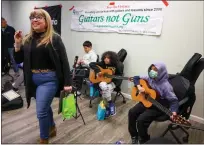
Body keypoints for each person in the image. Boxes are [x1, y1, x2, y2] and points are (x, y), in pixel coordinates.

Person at [14, 9, 72, 144]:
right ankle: (51, 127)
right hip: (33, 80)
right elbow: (18, 60)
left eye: (38, 17)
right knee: (45, 106)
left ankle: (44, 139)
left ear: (46, 21)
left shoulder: (54, 38)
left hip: (49, 79)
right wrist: (17, 44)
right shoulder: (28, 38)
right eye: (32, 17)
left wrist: (68, 83)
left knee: (40, 112)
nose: (34, 20)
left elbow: (64, 61)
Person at [128, 62, 179, 144]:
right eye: (151, 69)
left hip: (158, 105)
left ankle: (144, 140)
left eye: (155, 70)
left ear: (161, 72)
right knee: (131, 112)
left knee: (141, 120)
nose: (152, 71)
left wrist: (174, 111)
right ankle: (134, 135)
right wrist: (139, 86)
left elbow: (174, 101)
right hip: (147, 100)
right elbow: (136, 78)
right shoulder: (149, 78)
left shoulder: (166, 86)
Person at [89, 51, 122, 117]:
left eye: (108, 58)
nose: (105, 59)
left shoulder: (118, 65)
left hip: (112, 82)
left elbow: (119, 76)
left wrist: (111, 79)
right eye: (105, 58)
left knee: (105, 90)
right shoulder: (103, 63)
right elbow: (91, 64)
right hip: (103, 81)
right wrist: (98, 71)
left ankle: (107, 107)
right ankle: (110, 103)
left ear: (112, 59)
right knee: (103, 86)